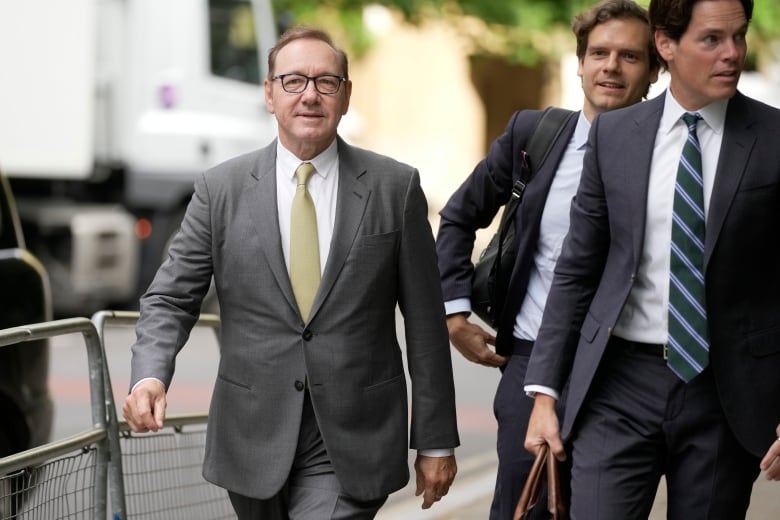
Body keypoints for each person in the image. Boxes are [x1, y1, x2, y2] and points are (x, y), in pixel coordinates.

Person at [122, 25, 459, 519]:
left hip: (353, 436)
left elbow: (427, 324)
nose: (309, 95)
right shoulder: (221, 190)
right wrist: (149, 375)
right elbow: (171, 298)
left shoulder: (395, 188)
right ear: (269, 93)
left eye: (326, 82)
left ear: (345, 97)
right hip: (252, 434)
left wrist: (435, 440)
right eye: (294, 81)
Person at [524, 0, 780, 517]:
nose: (732, 54)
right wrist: (545, 395)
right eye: (711, 40)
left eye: (738, 37)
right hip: (617, 385)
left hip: (724, 391)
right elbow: (577, 269)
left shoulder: (774, 139)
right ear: (666, 43)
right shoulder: (614, 135)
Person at [435, 1, 659, 517]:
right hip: (532, 358)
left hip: (622, 369)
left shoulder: (669, 157)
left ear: (653, 70)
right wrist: (454, 311)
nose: (611, 66)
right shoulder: (532, 135)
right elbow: (457, 217)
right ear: (579, 63)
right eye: (599, 53)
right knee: (522, 506)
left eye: (630, 56)